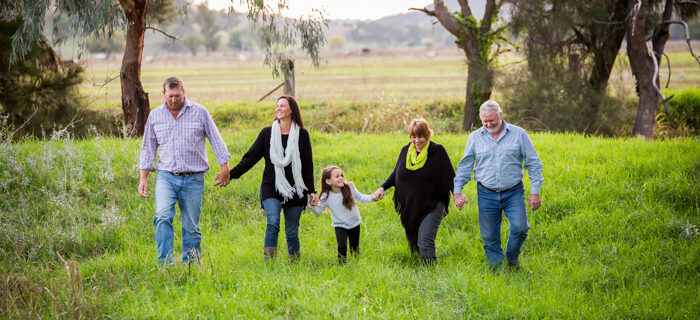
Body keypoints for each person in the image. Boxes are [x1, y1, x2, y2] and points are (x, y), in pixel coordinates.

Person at [138, 76, 231, 264]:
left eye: (177, 95)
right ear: (164, 94)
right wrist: (143, 178)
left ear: (184, 92)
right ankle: (166, 264)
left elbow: (216, 139)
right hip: (166, 177)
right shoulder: (155, 116)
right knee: (162, 216)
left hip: (193, 179)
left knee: (191, 226)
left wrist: (225, 168)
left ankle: (191, 266)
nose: (174, 99)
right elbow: (148, 147)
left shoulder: (200, 112)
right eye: (170, 96)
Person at [453, 100, 544, 270]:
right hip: (486, 193)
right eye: (485, 121)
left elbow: (534, 163)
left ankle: (511, 258)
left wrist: (535, 191)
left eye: (492, 120)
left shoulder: (519, 134)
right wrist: (457, 192)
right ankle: (498, 271)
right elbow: (465, 166)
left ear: (501, 115)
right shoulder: (475, 138)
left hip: (513, 192)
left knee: (521, 228)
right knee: (489, 237)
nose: (488, 124)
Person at [229, 95, 317, 262]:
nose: (278, 108)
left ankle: (294, 263)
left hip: (296, 190)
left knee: (292, 231)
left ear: (292, 109)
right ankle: (269, 263)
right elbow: (250, 158)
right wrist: (231, 175)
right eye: (277, 106)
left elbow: (307, 165)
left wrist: (311, 191)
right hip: (271, 187)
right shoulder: (267, 134)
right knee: (273, 223)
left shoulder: (302, 135)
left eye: (282, 106)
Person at [373, 119, 455, 265]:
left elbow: (449, 176)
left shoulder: (437, 151)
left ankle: (430, 275)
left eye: (420, 137)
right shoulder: (406, 151)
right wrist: (382, 188)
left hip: (433, 203)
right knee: (413, 241)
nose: (417, 140)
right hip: (410, 204)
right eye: (413, 137)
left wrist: (457, 195)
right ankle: (417, 268)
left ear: (428, 135)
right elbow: (396, 173)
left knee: (425, 240)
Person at [308, 166, 378, 263]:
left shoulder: (349, 187)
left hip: (354, 223)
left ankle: (356, 263)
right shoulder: (326, 196)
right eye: (337, 176)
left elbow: (360, 198)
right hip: (340, 225)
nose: (341, 178)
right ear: (328, 181)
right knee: (342, 246)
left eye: (341, 175)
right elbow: (318, 210)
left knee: (354, 248)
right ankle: (342, 266)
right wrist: (311, 205)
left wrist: (372, 197)